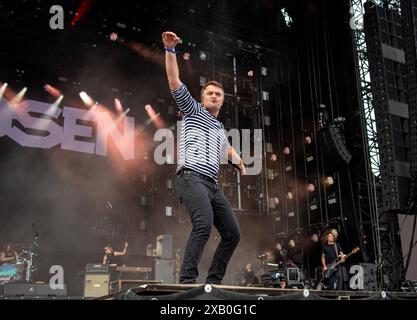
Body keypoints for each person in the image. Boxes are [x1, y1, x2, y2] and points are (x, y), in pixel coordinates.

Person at [162, 31, 245, 284]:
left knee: (232, 233)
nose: (213, 96)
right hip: (191, 178)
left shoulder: (219, 128)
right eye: (209, 93)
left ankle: (213, 283)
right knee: (204, 224)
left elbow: (226, 148)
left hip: (211, 185)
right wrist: (169, 50)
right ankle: (187, 281)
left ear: (222, 101)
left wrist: (239, 160)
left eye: (218, 95)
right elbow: (174, 82)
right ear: (202, 97)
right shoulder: (193, 110)